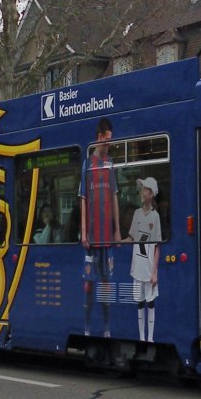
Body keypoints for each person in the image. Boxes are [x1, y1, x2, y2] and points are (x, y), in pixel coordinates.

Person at [79, 117, 120, 337]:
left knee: (106, 283)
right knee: (89, 283)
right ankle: (86, 328)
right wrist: (84, 231)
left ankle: (106, 329)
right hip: (92, 237)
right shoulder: (88, 164)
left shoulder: (110, 163)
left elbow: (114, 197)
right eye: (106, 140)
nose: (108, 144)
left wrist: (117, 229)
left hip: (107, 237)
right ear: (99, 137)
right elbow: (83, 199)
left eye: (110, 140)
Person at [126, 177, 161, 342]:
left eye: (144, 189)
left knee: (151, 302)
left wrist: (154, 272)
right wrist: (115, 242)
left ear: (151, 194)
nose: (141, 192)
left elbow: (157, 247)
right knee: (139, 303)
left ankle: (151, 338)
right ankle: (141, 338)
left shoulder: (155, 217)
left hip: (149, 268)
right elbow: (131, 237)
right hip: (137, 267)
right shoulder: (137, 214)